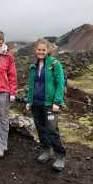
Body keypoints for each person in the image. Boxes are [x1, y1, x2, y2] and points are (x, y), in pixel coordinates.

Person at [26, 39, 66, 171]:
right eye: (39, 49)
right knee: (40, 129)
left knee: (52, 130)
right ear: (35, 50)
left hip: (50, 104)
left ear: (48, 50)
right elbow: (31, 85)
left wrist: (57, 102)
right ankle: (46, 151)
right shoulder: (33, 66)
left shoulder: (55, 64)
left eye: (43, 50)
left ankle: (60, 156)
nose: (41, 52)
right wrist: (29, 101)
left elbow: (60, 84)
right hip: (36, 103)